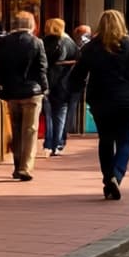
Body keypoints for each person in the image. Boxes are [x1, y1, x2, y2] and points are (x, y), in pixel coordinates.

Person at [69, 10, 129, 200]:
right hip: (125, 98)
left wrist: (77, 89)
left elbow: (77, 74)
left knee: (105, 140)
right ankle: (116, 174)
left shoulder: (91, 47)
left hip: (100, 99)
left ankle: (108, 177)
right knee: (124, 141)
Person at [0, 12, 48, 181]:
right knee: (30, 130)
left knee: (16, 130)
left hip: (12, 92)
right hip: (32, 92)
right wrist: (45, 88)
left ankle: (17, 165)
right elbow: (41, 68)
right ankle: (25, 167)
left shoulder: (3, 43)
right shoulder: (37, 42)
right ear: (32, 25)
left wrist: (0, 87)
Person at [41, 18, 78, 156]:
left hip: (46, 82)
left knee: (48, 114)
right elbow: (78, 59)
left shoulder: (43, 42)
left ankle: (48, 143)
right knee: (60, 113)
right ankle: (58, 143)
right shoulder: (69, 43)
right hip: (64, 82)